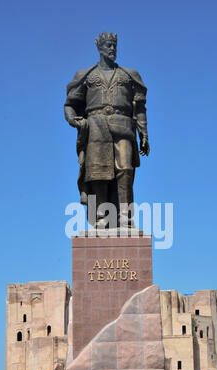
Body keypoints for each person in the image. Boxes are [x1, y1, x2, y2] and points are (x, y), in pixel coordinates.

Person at [64, 31, 150, 228]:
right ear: (98, 47)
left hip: (123, 125)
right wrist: (73, 119)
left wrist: (144, 133)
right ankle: (102, 215)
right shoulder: (86, 75)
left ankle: (125, 215)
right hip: (95, 125)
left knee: (126, 169)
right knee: (97, 171)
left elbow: (140, 108)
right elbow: (70, 104)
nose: (112, 49)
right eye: (108, 45)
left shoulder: (129, 75)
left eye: (114, 46)